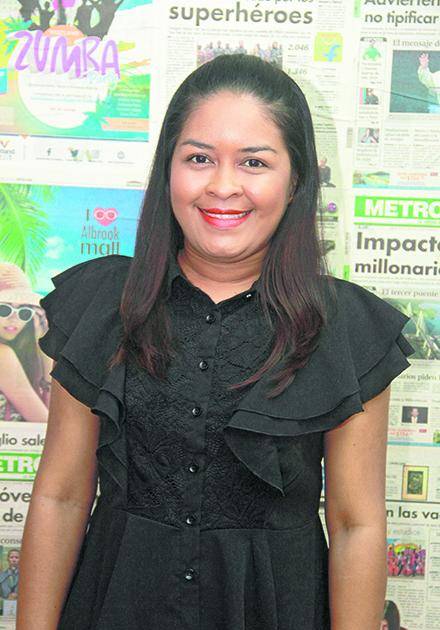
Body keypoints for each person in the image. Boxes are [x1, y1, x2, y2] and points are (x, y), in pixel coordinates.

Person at [17, 54, 414, 629]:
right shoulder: (104, 305)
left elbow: (357, 525)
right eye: (199, 158)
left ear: (296, 180)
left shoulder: (345, 329)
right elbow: (60, 496)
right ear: (168, 171)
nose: (223, 186)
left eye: (254, 162)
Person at [0, 263, 51, 422]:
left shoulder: (12, 353)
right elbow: (47, 423)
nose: (14, 318)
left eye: (24, 312)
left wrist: (42, 343)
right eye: (4, 309)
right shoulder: (3, 355)